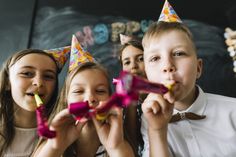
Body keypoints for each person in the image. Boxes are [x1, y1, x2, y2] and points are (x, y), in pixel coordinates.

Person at [141, 0, 236, 157]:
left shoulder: (233, 112)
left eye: (178, 53)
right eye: (155, 58)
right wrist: (157, 130)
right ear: (146, 77)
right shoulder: (147, 122)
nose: (167, 66)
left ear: (198, 68)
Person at [33, 35, 134, 157]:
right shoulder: (49, 147)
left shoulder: (120, 146)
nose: (90, 98)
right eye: (79, 91)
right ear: (66, 99)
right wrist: (55, 147)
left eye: (100, 91)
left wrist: (115, 148)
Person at [0, 48, 70, 156]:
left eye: (48, 76)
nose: (38, 82)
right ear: (8, 82)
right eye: (27, 73)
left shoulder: (64, 132)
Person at [118, 34, 146, 156]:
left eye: (140, 59)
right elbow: (131, 146)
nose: (133, 66)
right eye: (127, 62)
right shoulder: (122, 105)